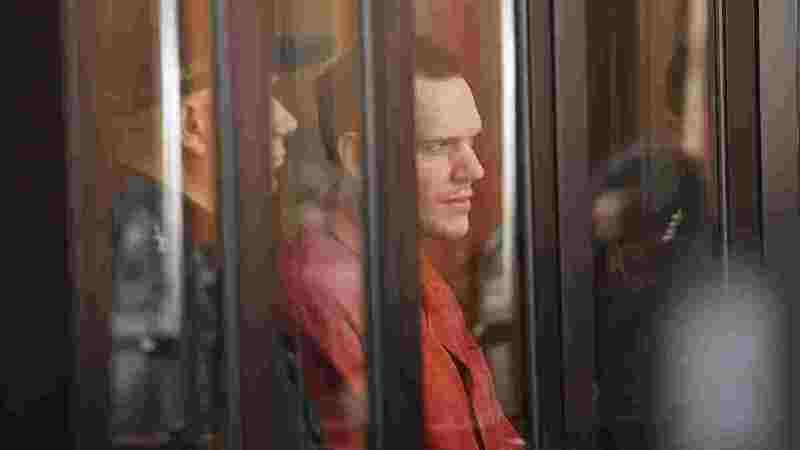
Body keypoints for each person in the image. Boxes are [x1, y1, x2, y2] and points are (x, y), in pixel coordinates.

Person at [276, 36, 523, 450]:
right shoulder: (322, 290)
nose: (474, 169)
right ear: (359, 158)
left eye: (471, 142)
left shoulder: (407, 268)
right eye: (439, 146)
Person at [109, 32, 324, 448]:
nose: (288, 121)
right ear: (193, 125)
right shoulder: (154, 258)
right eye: (262, 94)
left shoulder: (192, 242)